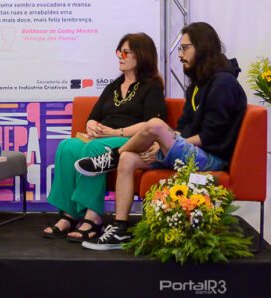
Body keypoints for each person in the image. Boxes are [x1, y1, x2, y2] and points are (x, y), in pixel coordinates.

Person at [77, 22, 247, 250]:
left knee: (155, 125)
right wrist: (166, 144)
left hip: (210, 156)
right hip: (189, 150)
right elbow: (183, 126)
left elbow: (211, 135)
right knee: (129, 159)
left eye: (184, 48)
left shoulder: (223, 83)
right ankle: (120, 229)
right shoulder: (198, 84)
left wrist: (170, 142)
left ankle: (113, 156)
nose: (180, 54)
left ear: (202, 47)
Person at [43, 33, 166, 242]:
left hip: (130, 140)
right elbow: (93, 116)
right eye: (119, 51)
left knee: (94, 149)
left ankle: (93, 217)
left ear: (141, 55)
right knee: (67, 146)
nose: (120, 56)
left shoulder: (152, 86)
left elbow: (151, 124)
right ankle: (69, 214)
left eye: (126, 52)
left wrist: (115, 132)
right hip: (104, 137)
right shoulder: (114, 86)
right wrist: (91, 125)